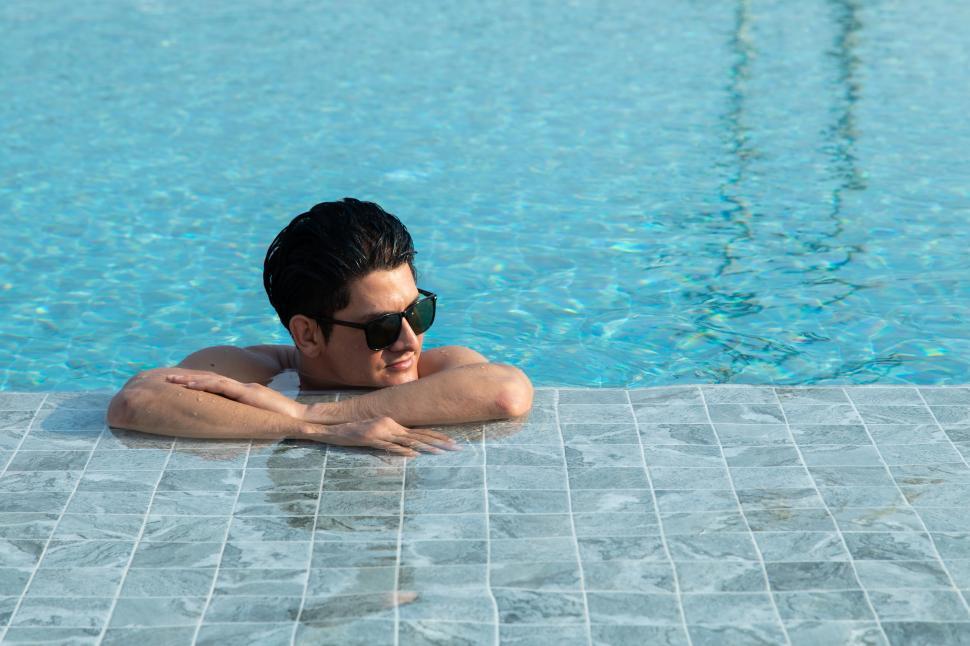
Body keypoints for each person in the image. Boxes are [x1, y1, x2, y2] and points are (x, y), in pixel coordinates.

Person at [107, 198, 533, 457]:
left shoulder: (438, 370)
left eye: (417, 312)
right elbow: (137, 401)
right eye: (381, 327)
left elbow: (505, 392)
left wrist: (314, 412)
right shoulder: (260, 369)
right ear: (308, 334)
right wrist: (304, 429)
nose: (409, 342)